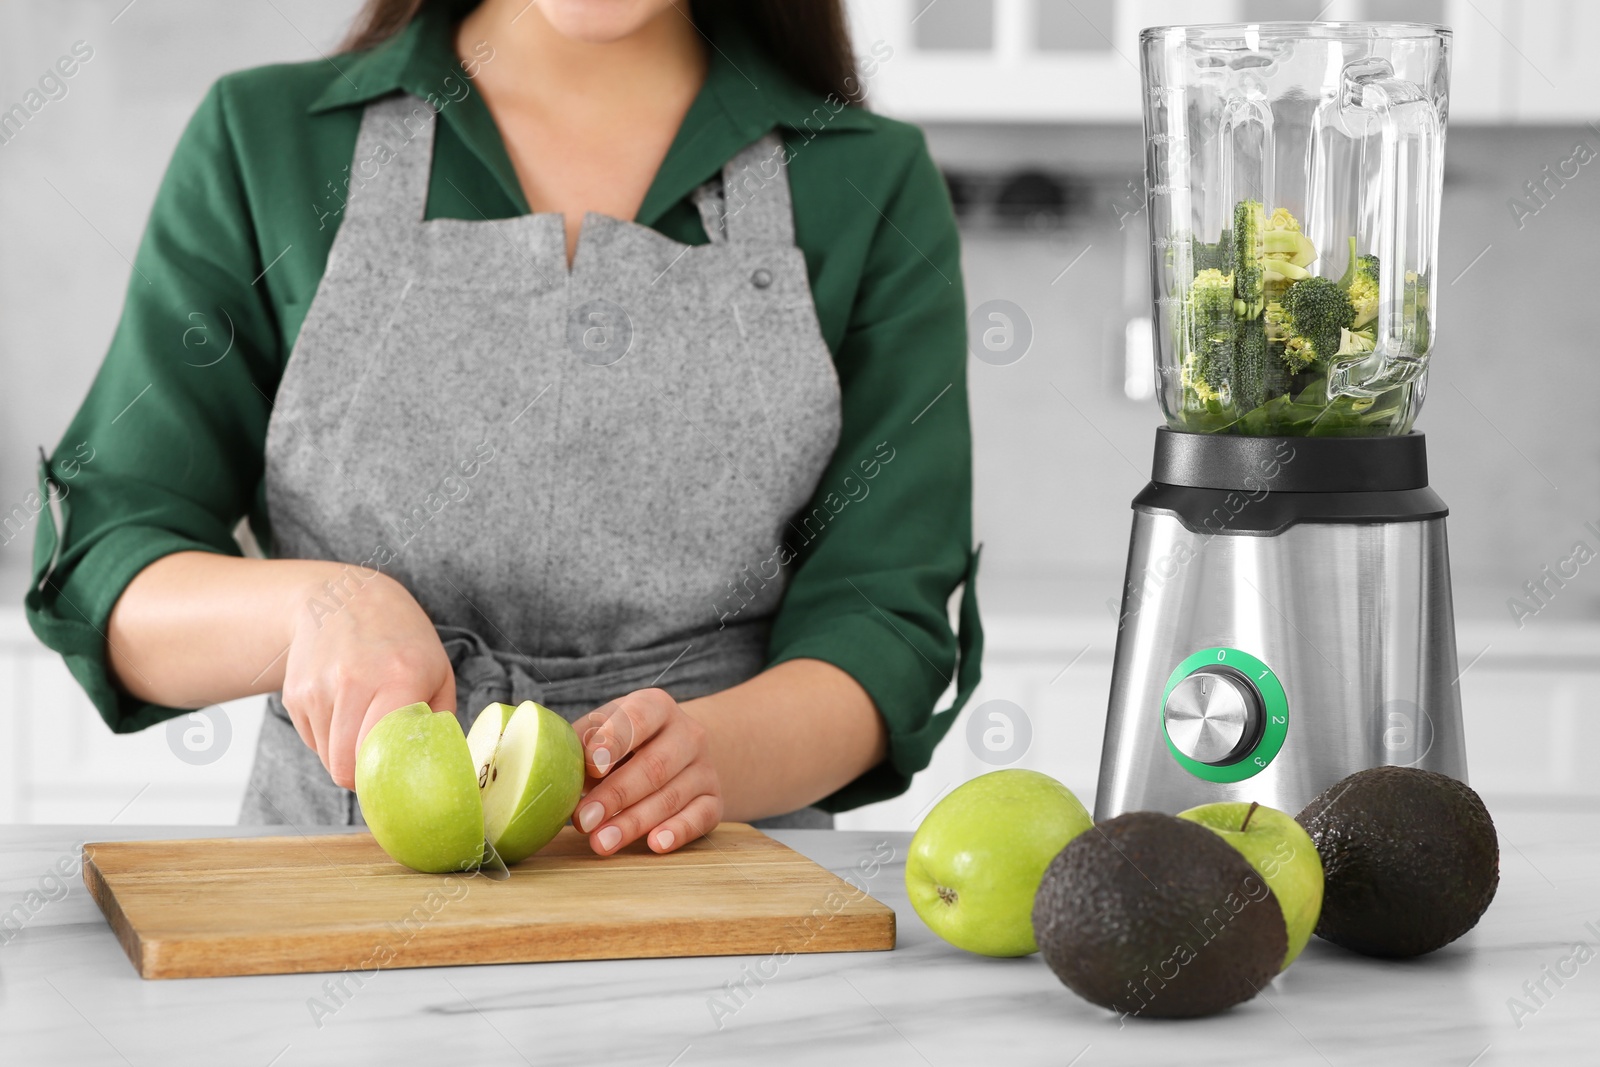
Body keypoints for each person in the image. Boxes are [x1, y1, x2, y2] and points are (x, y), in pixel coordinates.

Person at [25, 0, 980, 856]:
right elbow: (109, 562)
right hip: (336, 900)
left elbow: (882, 622)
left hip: (714, 893)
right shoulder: (265, 140)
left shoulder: (869, 181)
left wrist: (709, 758)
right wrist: (318, 610)